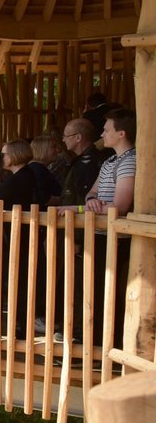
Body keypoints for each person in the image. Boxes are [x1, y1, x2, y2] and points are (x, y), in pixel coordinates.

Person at [57, 109, 136, 347]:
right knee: (92, 288)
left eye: (107, 129)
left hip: (117, 238)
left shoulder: (131, 160)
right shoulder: (110, 161)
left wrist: (84, 208)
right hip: (100, 235)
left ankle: (103, 344)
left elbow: (119, 206)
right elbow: (92, 193)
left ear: (121, 134)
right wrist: (92, 202)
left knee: (106, 291)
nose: (102, 133)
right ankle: (91, 340)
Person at [0, 139, 37, 336]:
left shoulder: (19, 180)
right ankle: (14, 327)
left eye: (3, 154)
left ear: (13, 156)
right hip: (16, 237)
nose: (0, 158)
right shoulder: (26, 176)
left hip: (8, 239)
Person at [58, 118, 106, 207]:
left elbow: (82, 196)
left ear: (78, 138)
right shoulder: (83, 160)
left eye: (66, 136)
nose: (63, 140)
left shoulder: (89, 162)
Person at [28, 135, 62, 207]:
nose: (58, 150)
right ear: (42, 149)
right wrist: (67, 199)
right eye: (53, 147)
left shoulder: (36, 168)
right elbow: (44, 199)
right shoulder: (37, 169)